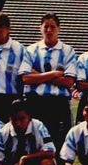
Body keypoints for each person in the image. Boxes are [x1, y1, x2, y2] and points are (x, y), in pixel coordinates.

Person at [19, 12, 77, 156]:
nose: (49, 30)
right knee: (34, 143)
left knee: (59, 145)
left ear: (59, 28)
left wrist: (37, 74)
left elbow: (69, 81)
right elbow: (25, 78)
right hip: (35, 102)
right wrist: (55, 74)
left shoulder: (68, 50)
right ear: (40, 28)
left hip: (58, 104)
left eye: (52, 27)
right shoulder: (31, 50)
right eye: (46, 27)